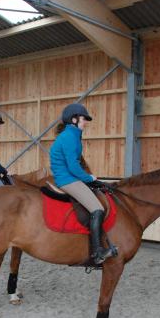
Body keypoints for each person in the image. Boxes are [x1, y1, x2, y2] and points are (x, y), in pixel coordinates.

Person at [49, 103, 117, 266]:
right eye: (83, 118)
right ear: (74, 119)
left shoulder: (71, 135)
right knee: (97, 209)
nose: (86, 122)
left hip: (69, 177)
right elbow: (73, 166)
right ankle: (97, 252)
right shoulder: (69, 137)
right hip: (67, 179)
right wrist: (89, 178)